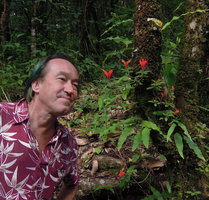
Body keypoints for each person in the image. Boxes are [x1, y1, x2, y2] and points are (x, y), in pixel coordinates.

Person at [0, 53, 80, 200]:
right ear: (36, 84)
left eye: (75, 85)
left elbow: (72, 185)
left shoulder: (68, 144)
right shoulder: (3, 117)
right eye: (62, 79)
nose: (70, 90)